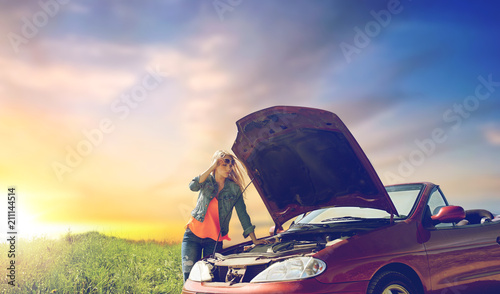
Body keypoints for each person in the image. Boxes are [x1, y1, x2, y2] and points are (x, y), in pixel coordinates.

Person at [181, 150, 267, 281]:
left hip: (214, 241)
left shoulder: (234, 188)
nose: (229, 168)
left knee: (211, 278)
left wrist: (254, 239)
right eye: (224, 164)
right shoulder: (206, 181)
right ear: (216, 165)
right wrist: (212, 166)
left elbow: (243, 214)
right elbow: (193, 186)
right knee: (189, 278)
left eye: (231, 164)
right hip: (192, 236)